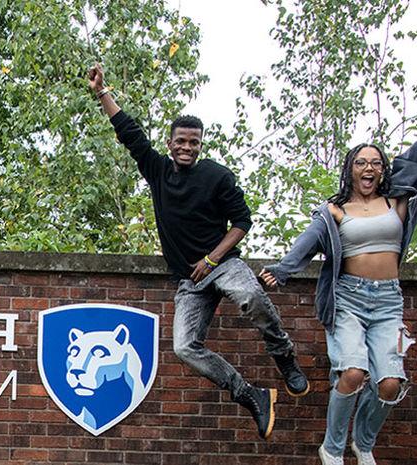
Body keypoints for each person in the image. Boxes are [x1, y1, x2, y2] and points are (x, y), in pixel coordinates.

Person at [86, 64, 310, 440]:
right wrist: (102, 93)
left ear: (200, 144)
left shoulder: (216, 176)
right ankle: (251, 395)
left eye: (193, 142)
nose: (186, 148)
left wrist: (212, 259)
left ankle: (283, 356)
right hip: (189, 280)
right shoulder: (158, 171)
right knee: (185, 347)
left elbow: (242, 222)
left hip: (221, 264)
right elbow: (130, 134)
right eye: (181, 141)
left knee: (250, 293)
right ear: (171, 143)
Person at [261, 70, 417, 465]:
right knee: (353, 374)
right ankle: (333, 449)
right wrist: (283, 269)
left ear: (384, 169)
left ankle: (363, 443)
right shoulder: (335, 211)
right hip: (349, 299)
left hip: (388, 301)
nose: (368, 168)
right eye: (361, 162)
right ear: (350, 169)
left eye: (375, 163)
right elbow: (308, 242)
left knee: (389, 384)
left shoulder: (398, 202)